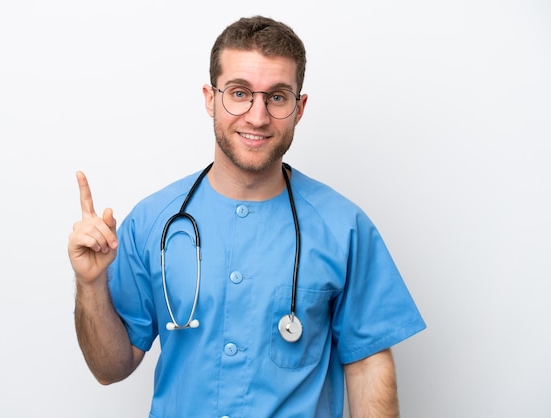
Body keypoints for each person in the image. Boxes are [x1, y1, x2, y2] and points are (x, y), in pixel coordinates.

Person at [68, 15, 426, 418]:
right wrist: (91, 283)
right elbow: (109, 368)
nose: (257, 116)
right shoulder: (153, 222)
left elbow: (368, 369)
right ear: (210, 97)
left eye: (277, 96)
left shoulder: (342, 228)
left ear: (299, 107)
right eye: (239, 93)